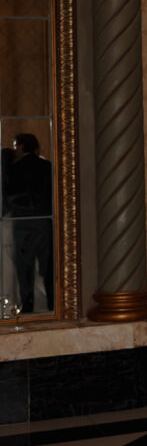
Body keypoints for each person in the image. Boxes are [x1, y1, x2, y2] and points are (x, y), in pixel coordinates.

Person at [5, 133, 54, 313]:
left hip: (22, 222)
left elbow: (7, 196)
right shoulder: (47, 166)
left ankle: (27, 309)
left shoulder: (14, 169)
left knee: (25, 270)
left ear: (21, 146)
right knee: (48, 268)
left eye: (15, 145)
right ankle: (53, 305)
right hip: (44, 221)